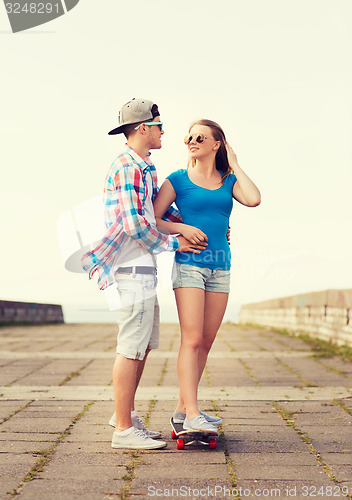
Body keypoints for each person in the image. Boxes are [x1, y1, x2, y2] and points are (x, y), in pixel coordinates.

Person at [81, 98, 206, 449]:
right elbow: (137, 225)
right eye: (159, 125)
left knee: (144, 345)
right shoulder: (127, 167)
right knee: (131, 346)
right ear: (142, 128)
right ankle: (123, 430)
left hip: (142, 265)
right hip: (131, 264)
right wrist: (175, 244)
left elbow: (154, 213)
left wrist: (189, 226)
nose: (164, 131)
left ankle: (126, 415)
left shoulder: (143, 165)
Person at [153, 119, 261, 433]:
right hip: (189, 264)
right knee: (193, 339)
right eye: (188, 136)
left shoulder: (228, 180)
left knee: (207, 341)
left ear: (217, 144)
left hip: (220, 266)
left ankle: (182, 410)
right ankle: (193, 414)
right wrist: (181, 228)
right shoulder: (177, 180)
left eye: (200, 136)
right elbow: (153, 218)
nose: (191, 140)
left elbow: (253, 198)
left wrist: (235, 162)